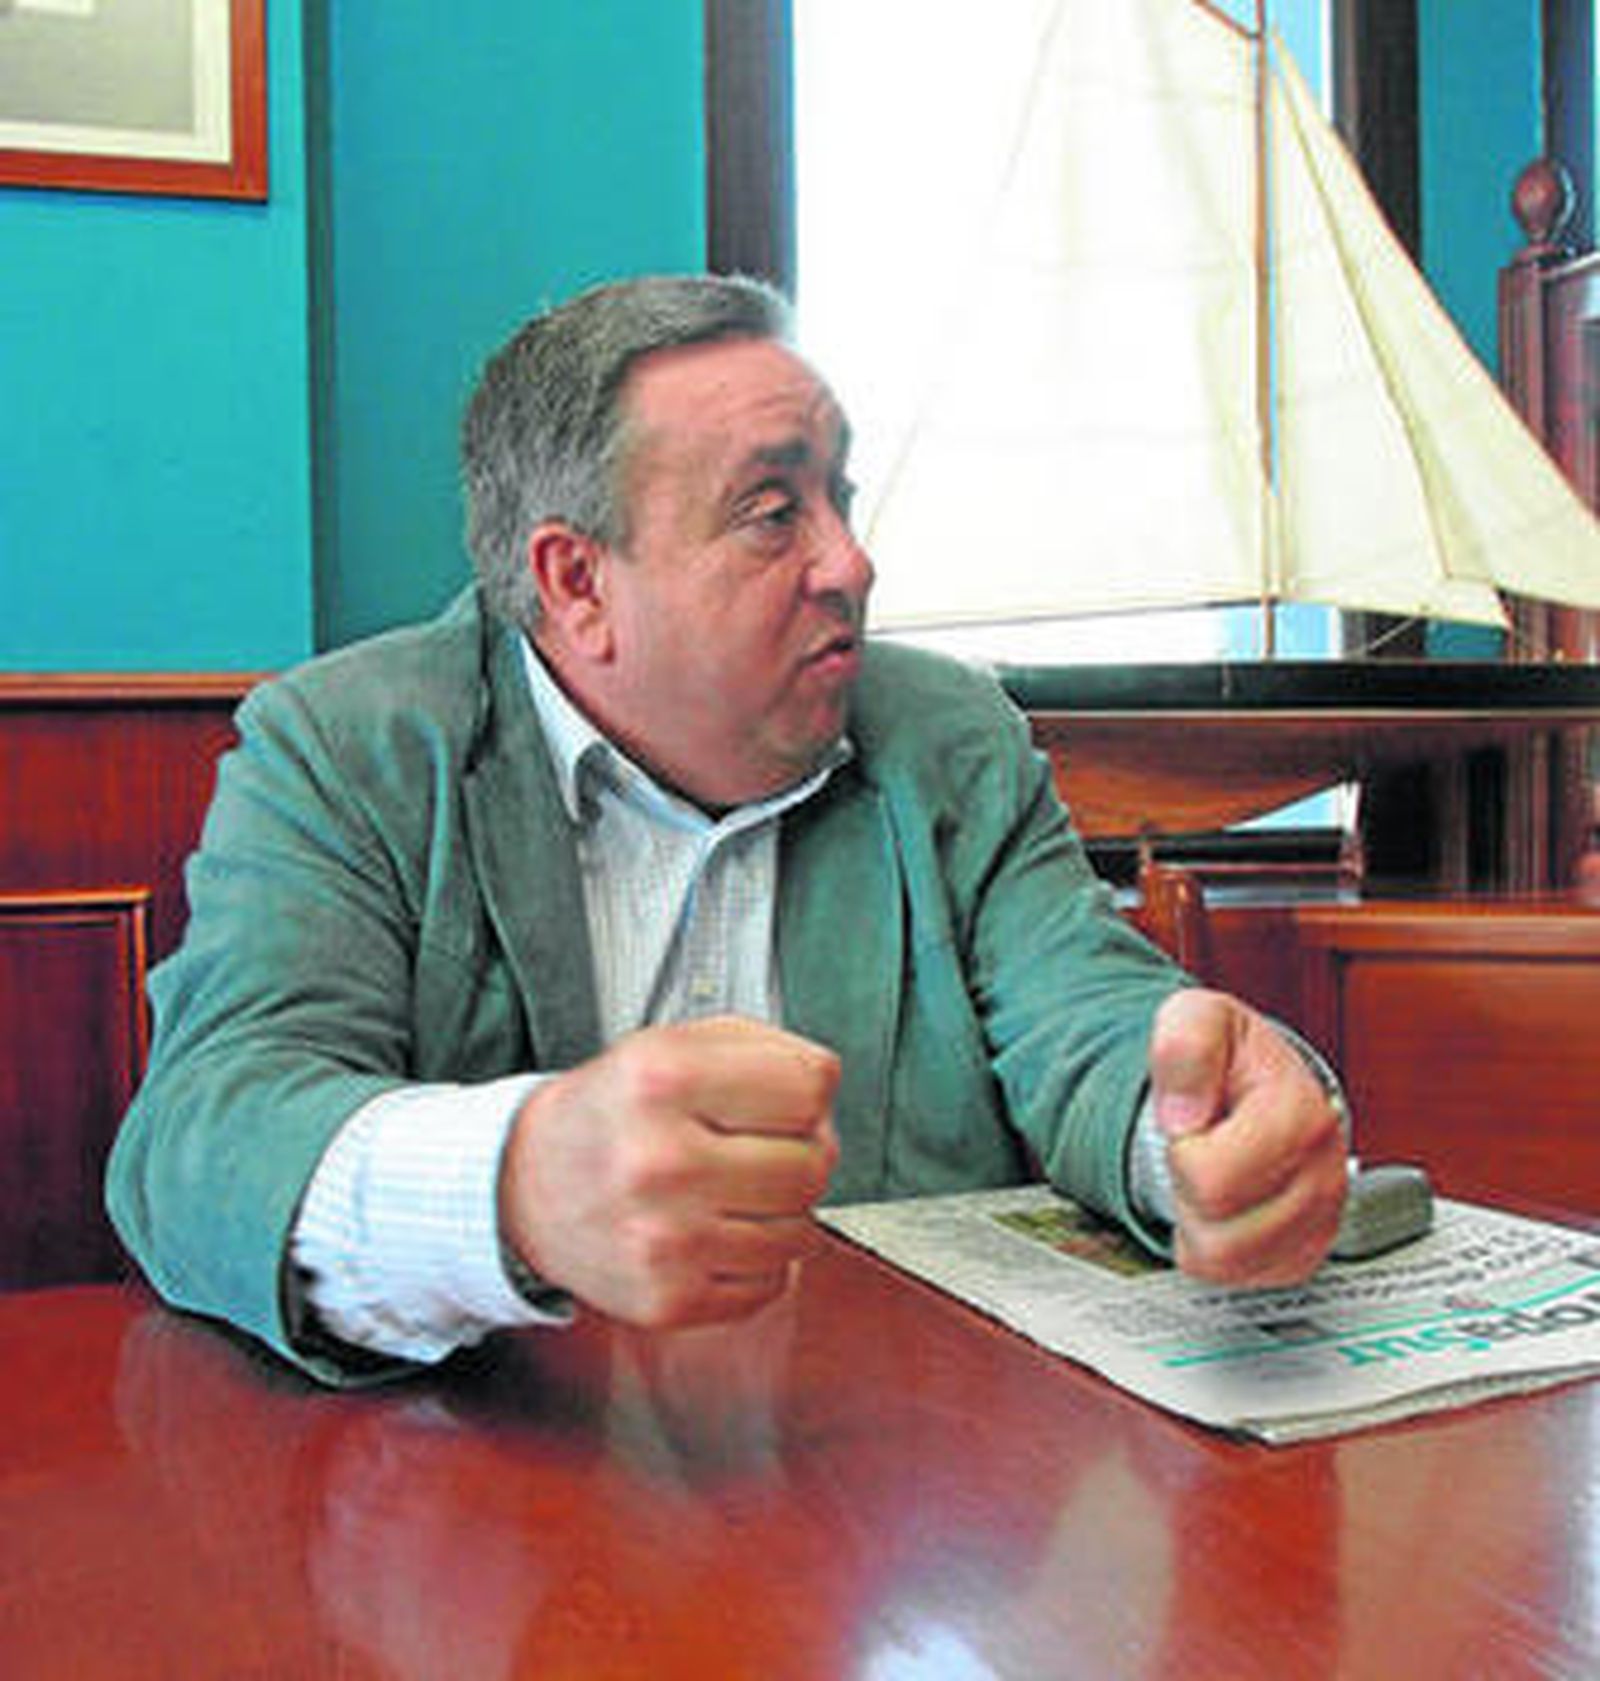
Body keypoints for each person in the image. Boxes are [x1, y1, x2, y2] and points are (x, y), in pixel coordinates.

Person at [107, 274, 1347, 1385]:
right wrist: (517, 1188)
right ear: (576, 583)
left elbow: (1083, 1015)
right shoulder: (348, 747)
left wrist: (1189, 1136)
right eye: (772, 511)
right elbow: (201, 1137)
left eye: (839, 497)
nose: (852, 562)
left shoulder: (946, 734)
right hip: (504, 1518)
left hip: (892, 1485)